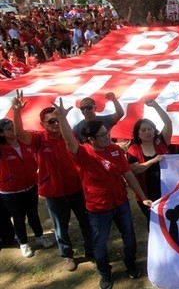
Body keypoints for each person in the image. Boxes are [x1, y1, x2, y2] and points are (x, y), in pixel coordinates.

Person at [53, 98, 152, 289]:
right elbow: (69, 142)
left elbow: (129, 175)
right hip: (98, 208)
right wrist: (62, 120)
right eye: (102, 135)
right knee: (100, 244)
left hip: (121, 203)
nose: (107, 138)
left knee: (129, 238)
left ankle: (130, 264)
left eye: (107, 133)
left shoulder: (115, 150)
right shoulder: (82, 154)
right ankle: (104, 273)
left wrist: (144, 196)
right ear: (91, 139)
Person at [12, 90, 93, 272]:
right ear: (43, 124)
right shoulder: (39, 140)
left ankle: (91, 249)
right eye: (51, 121)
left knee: (85, 221)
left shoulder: (68, 135)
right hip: (53, 192)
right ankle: (67, 256)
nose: (56, 123)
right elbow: (19, 134)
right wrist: (16, 111)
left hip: (76, 188)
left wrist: (63, 119)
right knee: (60, 227)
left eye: (57, 120)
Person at [0, 118, 55, 258]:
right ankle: (23, 243)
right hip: (10, 191)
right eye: (8, 129)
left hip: (30, 186)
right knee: (18, 218)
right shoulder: (1, 148)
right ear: (1, 134)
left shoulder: (25, 141)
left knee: (33, 214)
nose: (13, 130)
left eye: (13, 126)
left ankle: (39, 236)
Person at [127, 99, 172, 224]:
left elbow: (168, 122)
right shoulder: (133, 150)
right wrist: (152, 161)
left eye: (150, 129)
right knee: (153, 222)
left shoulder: (161, 142)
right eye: (143, 130)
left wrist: (156, 106)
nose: (147, 132)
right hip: (146, 193)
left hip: (166, 191)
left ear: (154, 130)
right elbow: (134, 170)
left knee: (169, 220)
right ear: (138, 134)